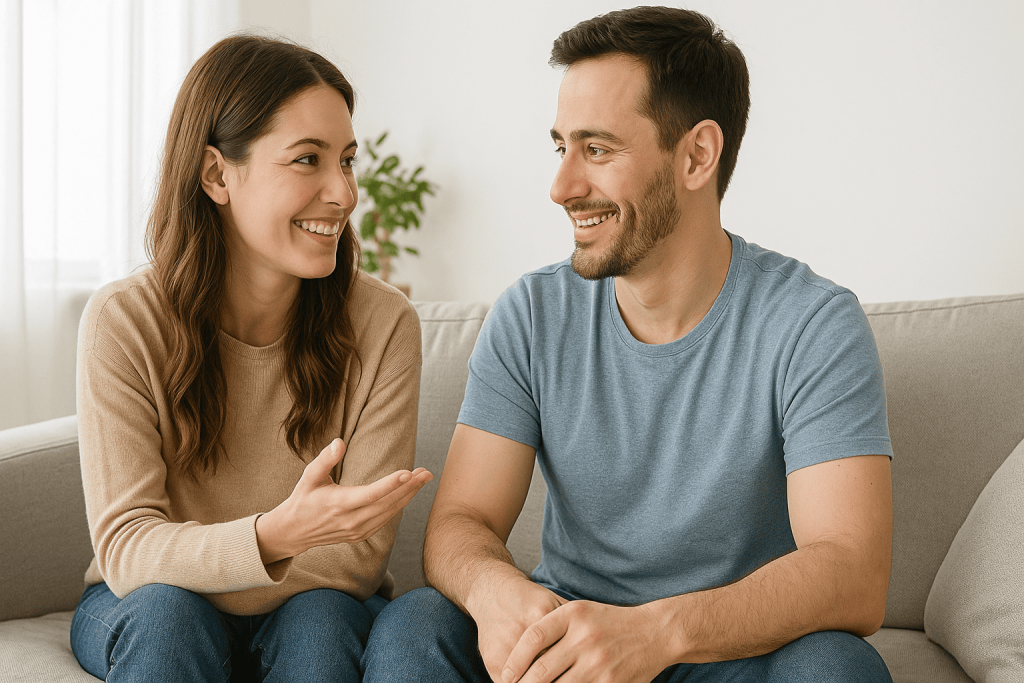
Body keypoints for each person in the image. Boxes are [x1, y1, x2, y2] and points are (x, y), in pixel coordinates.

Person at [364, 7, 894, 683]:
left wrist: (656, 633)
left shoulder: (812, 324)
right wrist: (499, 594)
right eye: (562, 147)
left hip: (727, 655)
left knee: (838, 666)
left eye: (598, 149)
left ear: (697, 155)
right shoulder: (531, 314)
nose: (561, 187)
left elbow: (852, 570)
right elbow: (461, 521)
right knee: (415, 621)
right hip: (566, 648)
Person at [69, 36, 433, 683]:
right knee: (169, 619)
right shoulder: (123, 320)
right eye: (307, 160)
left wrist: (225, 558)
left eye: (346, 161)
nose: (344, 193)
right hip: (152, 601)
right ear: (216, 174)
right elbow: (126, 547)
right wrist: (273, 537)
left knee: (320, 624)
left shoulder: (383, 324)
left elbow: (356, 557)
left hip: (316, 598)